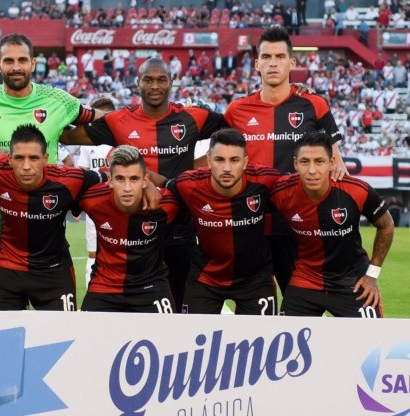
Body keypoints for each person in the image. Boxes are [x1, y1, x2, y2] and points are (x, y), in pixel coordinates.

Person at [61, 57, 224, 312]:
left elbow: (237, 130)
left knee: (180, 309)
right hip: (132, 234)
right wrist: (56, 105)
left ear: (172, 82)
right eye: (148, 79)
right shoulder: (119, 121)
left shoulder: (194, 117)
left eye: (161, 79)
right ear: (138, 83)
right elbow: (66, 134)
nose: (155, 85)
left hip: (180, 230)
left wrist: (196, 169)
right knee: (129, 306)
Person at [0, 33, 100, 287]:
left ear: (33, 62)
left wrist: (137, 125)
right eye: (9, 61)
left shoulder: (58, 101)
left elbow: (99, 119)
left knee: (50, 317)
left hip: (48, 226)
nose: (16, 67)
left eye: (22, 60)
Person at [224, 26, 348, 296]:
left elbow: (337, 166)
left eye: (280, 57)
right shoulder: (236, 111)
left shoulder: (314, 105)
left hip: (298, 227)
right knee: (256, 311)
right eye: (266, 57)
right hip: (249, 225)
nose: (272, 63)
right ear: (256, 63)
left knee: (301, 306)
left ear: (292, 62)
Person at [0, 124, 105, 311]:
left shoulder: (70, 179)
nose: (27, 166)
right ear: (9, 159)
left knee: (62, 335)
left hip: (54, 272)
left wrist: (150, 184)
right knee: (0, 336)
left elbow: (112, 178)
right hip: (7, 269)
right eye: (19, 158)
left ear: (45, 159)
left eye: (34, 158)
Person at [270, 131, 394, 317]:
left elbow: (386, 225)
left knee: (373, 341)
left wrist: (372, 275)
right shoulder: (280, 192)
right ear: (295, 164)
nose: (312, 170)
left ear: (331, 163)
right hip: (305, 281)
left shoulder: (357, 190)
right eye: (305, 162)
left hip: (354, 281)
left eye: (319, 162)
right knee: (287, 342)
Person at [167, 128, 282, 315]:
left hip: (254, 280)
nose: (227, 168)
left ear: (245, 162)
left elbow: (300, 188)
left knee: (262, 339)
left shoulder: (266, 180)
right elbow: (161, 189)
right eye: (220, 160)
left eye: (234, 160)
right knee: (190, 338)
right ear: (209, 160)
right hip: (206, 278)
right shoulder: (187, 184)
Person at [78, 145, 178, 313]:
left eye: (134, 179)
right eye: (120, 179)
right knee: (87, 336)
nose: (127, 188)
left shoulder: (166, 204)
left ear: (146, 180)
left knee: (169, 336)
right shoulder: (92, 200)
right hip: (104, 286)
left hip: (150, 286)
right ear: (109, 180)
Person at [76, 97, 114, 286]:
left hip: (119, 205)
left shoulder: (121, 139)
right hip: (94, 205)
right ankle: (91, 294)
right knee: (93, 252)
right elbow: (82, 172)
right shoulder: (86, 143)